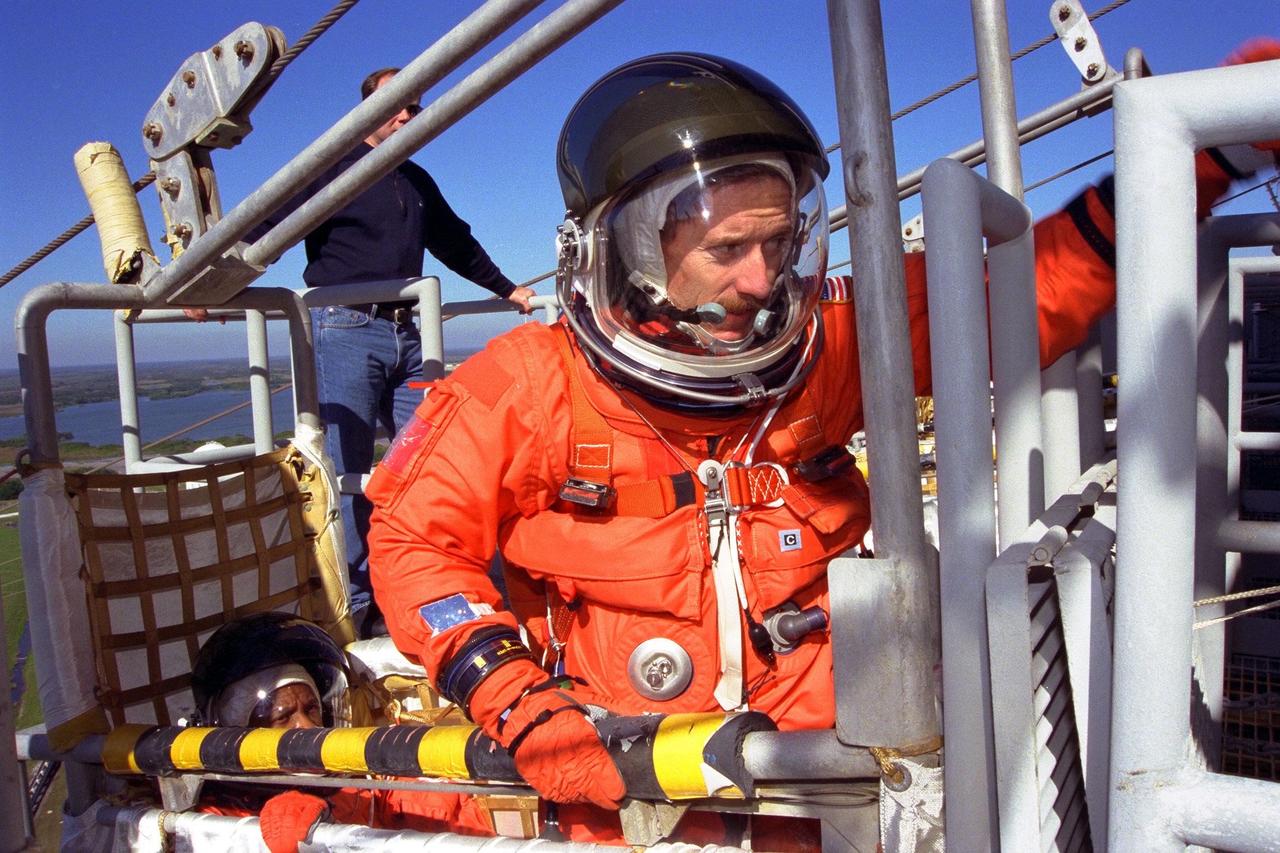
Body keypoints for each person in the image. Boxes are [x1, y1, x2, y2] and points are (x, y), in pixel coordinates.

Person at [364, 48, 1279, 845]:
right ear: (634, 249)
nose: (761, 280)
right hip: (630, 772)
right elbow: (414, 543)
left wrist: (1207, 156)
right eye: (727, 249)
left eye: (778, 243)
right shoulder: (528, 386)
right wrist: (519, 702)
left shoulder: (829, 343)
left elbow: (1024, 295)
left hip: (835, 768)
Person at [211, 67, 536, 635]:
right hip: (344, 329)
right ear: (365, 111)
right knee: (349, 472)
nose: (407, 114)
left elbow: (454, 242)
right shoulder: (331, 169)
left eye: (414, 106)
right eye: (396, 105)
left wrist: (507, 288)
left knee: (435, 457)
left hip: (408, 330)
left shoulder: (414, 179)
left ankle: (439, 581)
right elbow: (266, 222)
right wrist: (214, 281)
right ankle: (360, 610)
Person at [190, 612, 493, 852]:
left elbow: (450, 819)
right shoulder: (214, 820)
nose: (307, 727)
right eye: (283, 717)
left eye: (311, 709)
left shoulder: (367, 787)